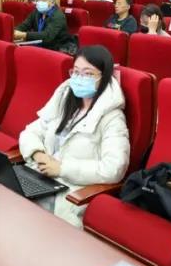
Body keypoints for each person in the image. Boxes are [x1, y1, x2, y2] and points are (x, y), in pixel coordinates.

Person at [19, 45, 130, 228]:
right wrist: (38, 154)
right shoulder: (66, 98)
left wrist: (62, 169)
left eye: (88, 74)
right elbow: (30, 131)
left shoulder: (112, 117)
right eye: (76, 72)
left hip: (72, 191)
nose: (79, 78)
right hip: (41, 177)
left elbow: (114, 168)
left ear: (103, 77)